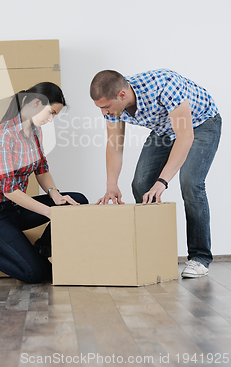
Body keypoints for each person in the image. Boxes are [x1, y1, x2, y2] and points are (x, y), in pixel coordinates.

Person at [90, 69, 221, 278]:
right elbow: (114, 145)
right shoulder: (112, 105)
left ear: (122, 95)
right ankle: (155, 253)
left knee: (190, 183)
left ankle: (200, 257)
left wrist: (162, 181)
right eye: (100, 108)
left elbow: (185, 137)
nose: (104, 112)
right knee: (141, 185)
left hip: (201, 125)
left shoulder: (164, 86)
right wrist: (111, 184)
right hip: (164, 130)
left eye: (106, 107)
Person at [0, 82, 88, 284]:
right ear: (36, 103)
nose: (50, 120)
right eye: (50, 113)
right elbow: (10, 191)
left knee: (77, 201)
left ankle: (41, 252)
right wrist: (50, 212)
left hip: (15, 208)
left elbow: (41, 169)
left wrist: (56, 196)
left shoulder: (35, 131)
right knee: (35, 274)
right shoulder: (3, 134)